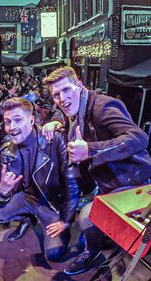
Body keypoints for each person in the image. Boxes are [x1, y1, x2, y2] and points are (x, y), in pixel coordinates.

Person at [41, 67, 151, 275]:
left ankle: (100, 256)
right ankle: (96, 246)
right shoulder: (75, 111)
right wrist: (56, 124)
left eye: (66, 90)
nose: (62, 99)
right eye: (56, 95)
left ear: (80, 85)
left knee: (87, 218)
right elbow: (75, 125)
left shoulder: (102, 106)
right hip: (109, 183)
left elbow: (139, 138)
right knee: (87, 219)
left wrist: (91, 150)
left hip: (133, 182)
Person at [0, 98, 79, 261]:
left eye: (17, 120)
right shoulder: (7, 150)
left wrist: (66, 220)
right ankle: (27, 219)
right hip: (28, 198)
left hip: (52, 204)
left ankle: (56, 226)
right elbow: (6, 193)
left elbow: (72, 183)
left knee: (54, 254)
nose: (12, 127)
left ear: (31, 120)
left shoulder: (53, 139)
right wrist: (3, 191)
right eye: (7, 122)